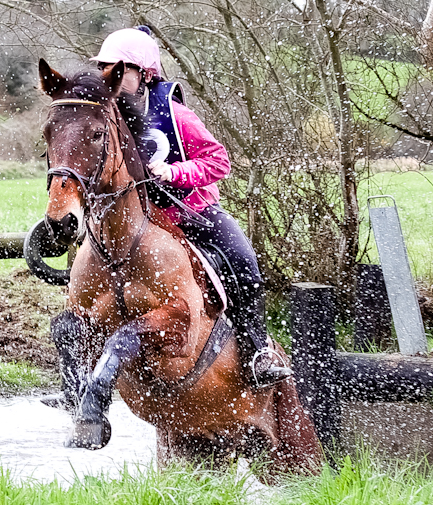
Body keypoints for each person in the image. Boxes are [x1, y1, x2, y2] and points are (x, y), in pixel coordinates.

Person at [90, 27, 291, 389]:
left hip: (190, 211)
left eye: (120, 70)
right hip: (137, 222)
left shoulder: (176, 115)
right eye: (105, 69)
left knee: (243, 261)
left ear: (146, 75)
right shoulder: (103, 117)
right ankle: (79, 370)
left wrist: (174, 171)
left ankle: (258, 352)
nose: (111, 79)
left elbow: (219, 161)